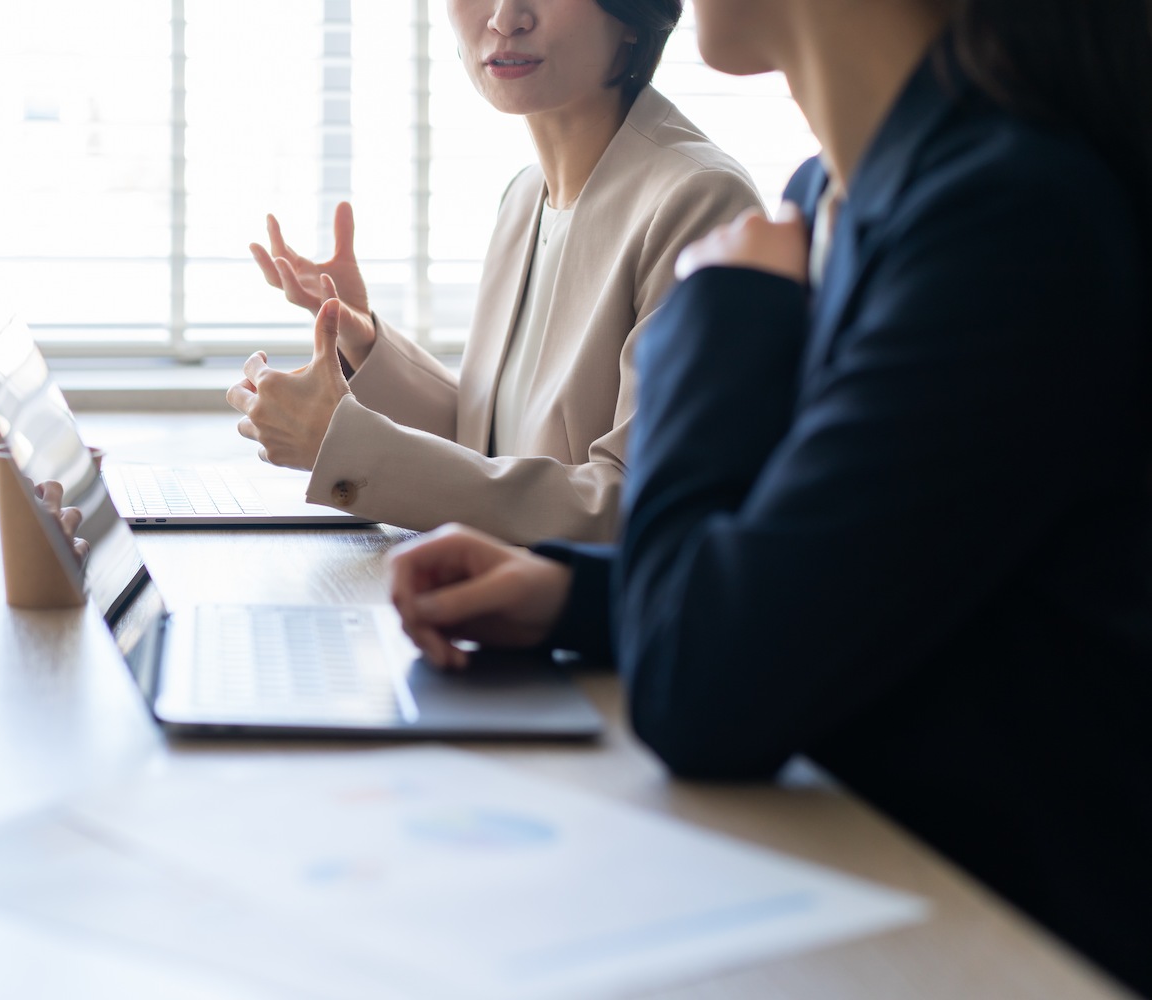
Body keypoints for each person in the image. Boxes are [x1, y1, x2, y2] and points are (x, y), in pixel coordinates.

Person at [388, 0, 1152, 993]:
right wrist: (576, 596)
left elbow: (703, 692)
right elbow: (808, 577)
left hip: (1002, 940)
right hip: (871, 881)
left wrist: (716, 321)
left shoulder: (1005, 218)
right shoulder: (828, 197)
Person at [226, 0, 761, 544]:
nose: (506, 18)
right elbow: (489, 444)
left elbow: (631, 506)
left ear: (630, 16)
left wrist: (339, 445)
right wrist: (363, 338)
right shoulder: (526, 193)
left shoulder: (699, 200)